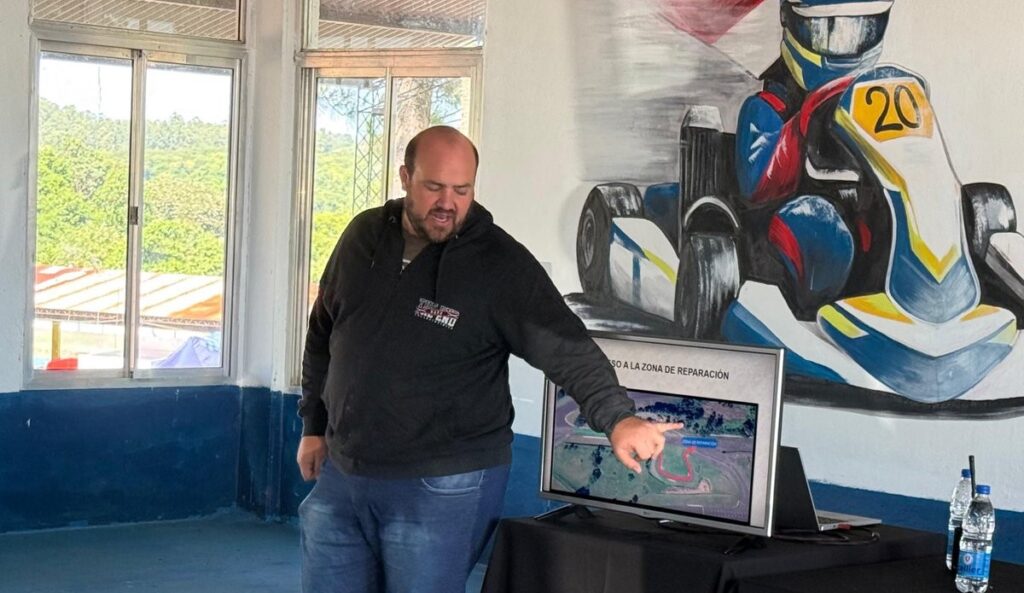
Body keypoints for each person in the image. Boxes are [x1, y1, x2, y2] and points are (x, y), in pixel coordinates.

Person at [296, 125, 681, 593]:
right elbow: (324, 333)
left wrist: (618, 418)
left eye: (462, 190)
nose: (448, 203)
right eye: (434, 187)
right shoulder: (364, 236)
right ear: (405, 177)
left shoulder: (499, 264)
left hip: (441, 481)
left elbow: (567, 348)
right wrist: (313, 425)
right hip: (344, 471)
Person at [734, 0, 893, 316]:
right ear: (790, 18)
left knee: (976, 206)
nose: (846, 45)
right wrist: (807, 122)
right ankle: (814, 314)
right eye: (829, 32)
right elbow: (757, 188)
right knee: (819, 224)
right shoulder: (767, 108)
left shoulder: (878, 102)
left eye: (860, 30)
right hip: (793, 236)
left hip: (870, 222)